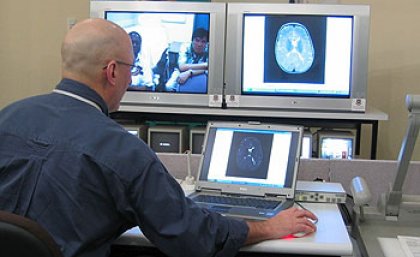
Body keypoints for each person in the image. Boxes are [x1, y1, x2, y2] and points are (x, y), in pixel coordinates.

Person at [0, 18, 317, 257]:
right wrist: (268, 227)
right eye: (130, 66)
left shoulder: (7, 117)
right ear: (112, 72)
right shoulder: (121, 150)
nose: (131, 74)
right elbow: (191, 235)